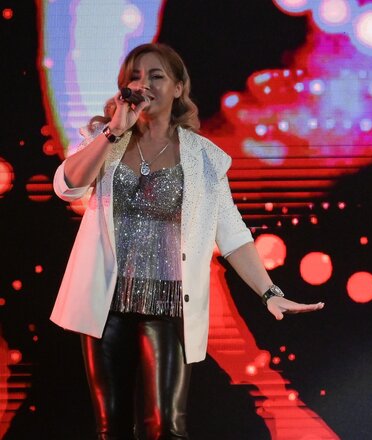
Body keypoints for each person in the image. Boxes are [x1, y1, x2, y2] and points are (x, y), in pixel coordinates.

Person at [50, 43, 324, 439]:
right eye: (135, 77)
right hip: (104, 302)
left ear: (178, 87)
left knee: (167, 427)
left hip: (168, 303)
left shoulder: (204, 157)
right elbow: (67, 187)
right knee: (111, 428)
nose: (144, 84)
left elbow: (232, 233)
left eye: (156, 76)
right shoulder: (105, 138)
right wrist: (113, 131)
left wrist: (269, 293)